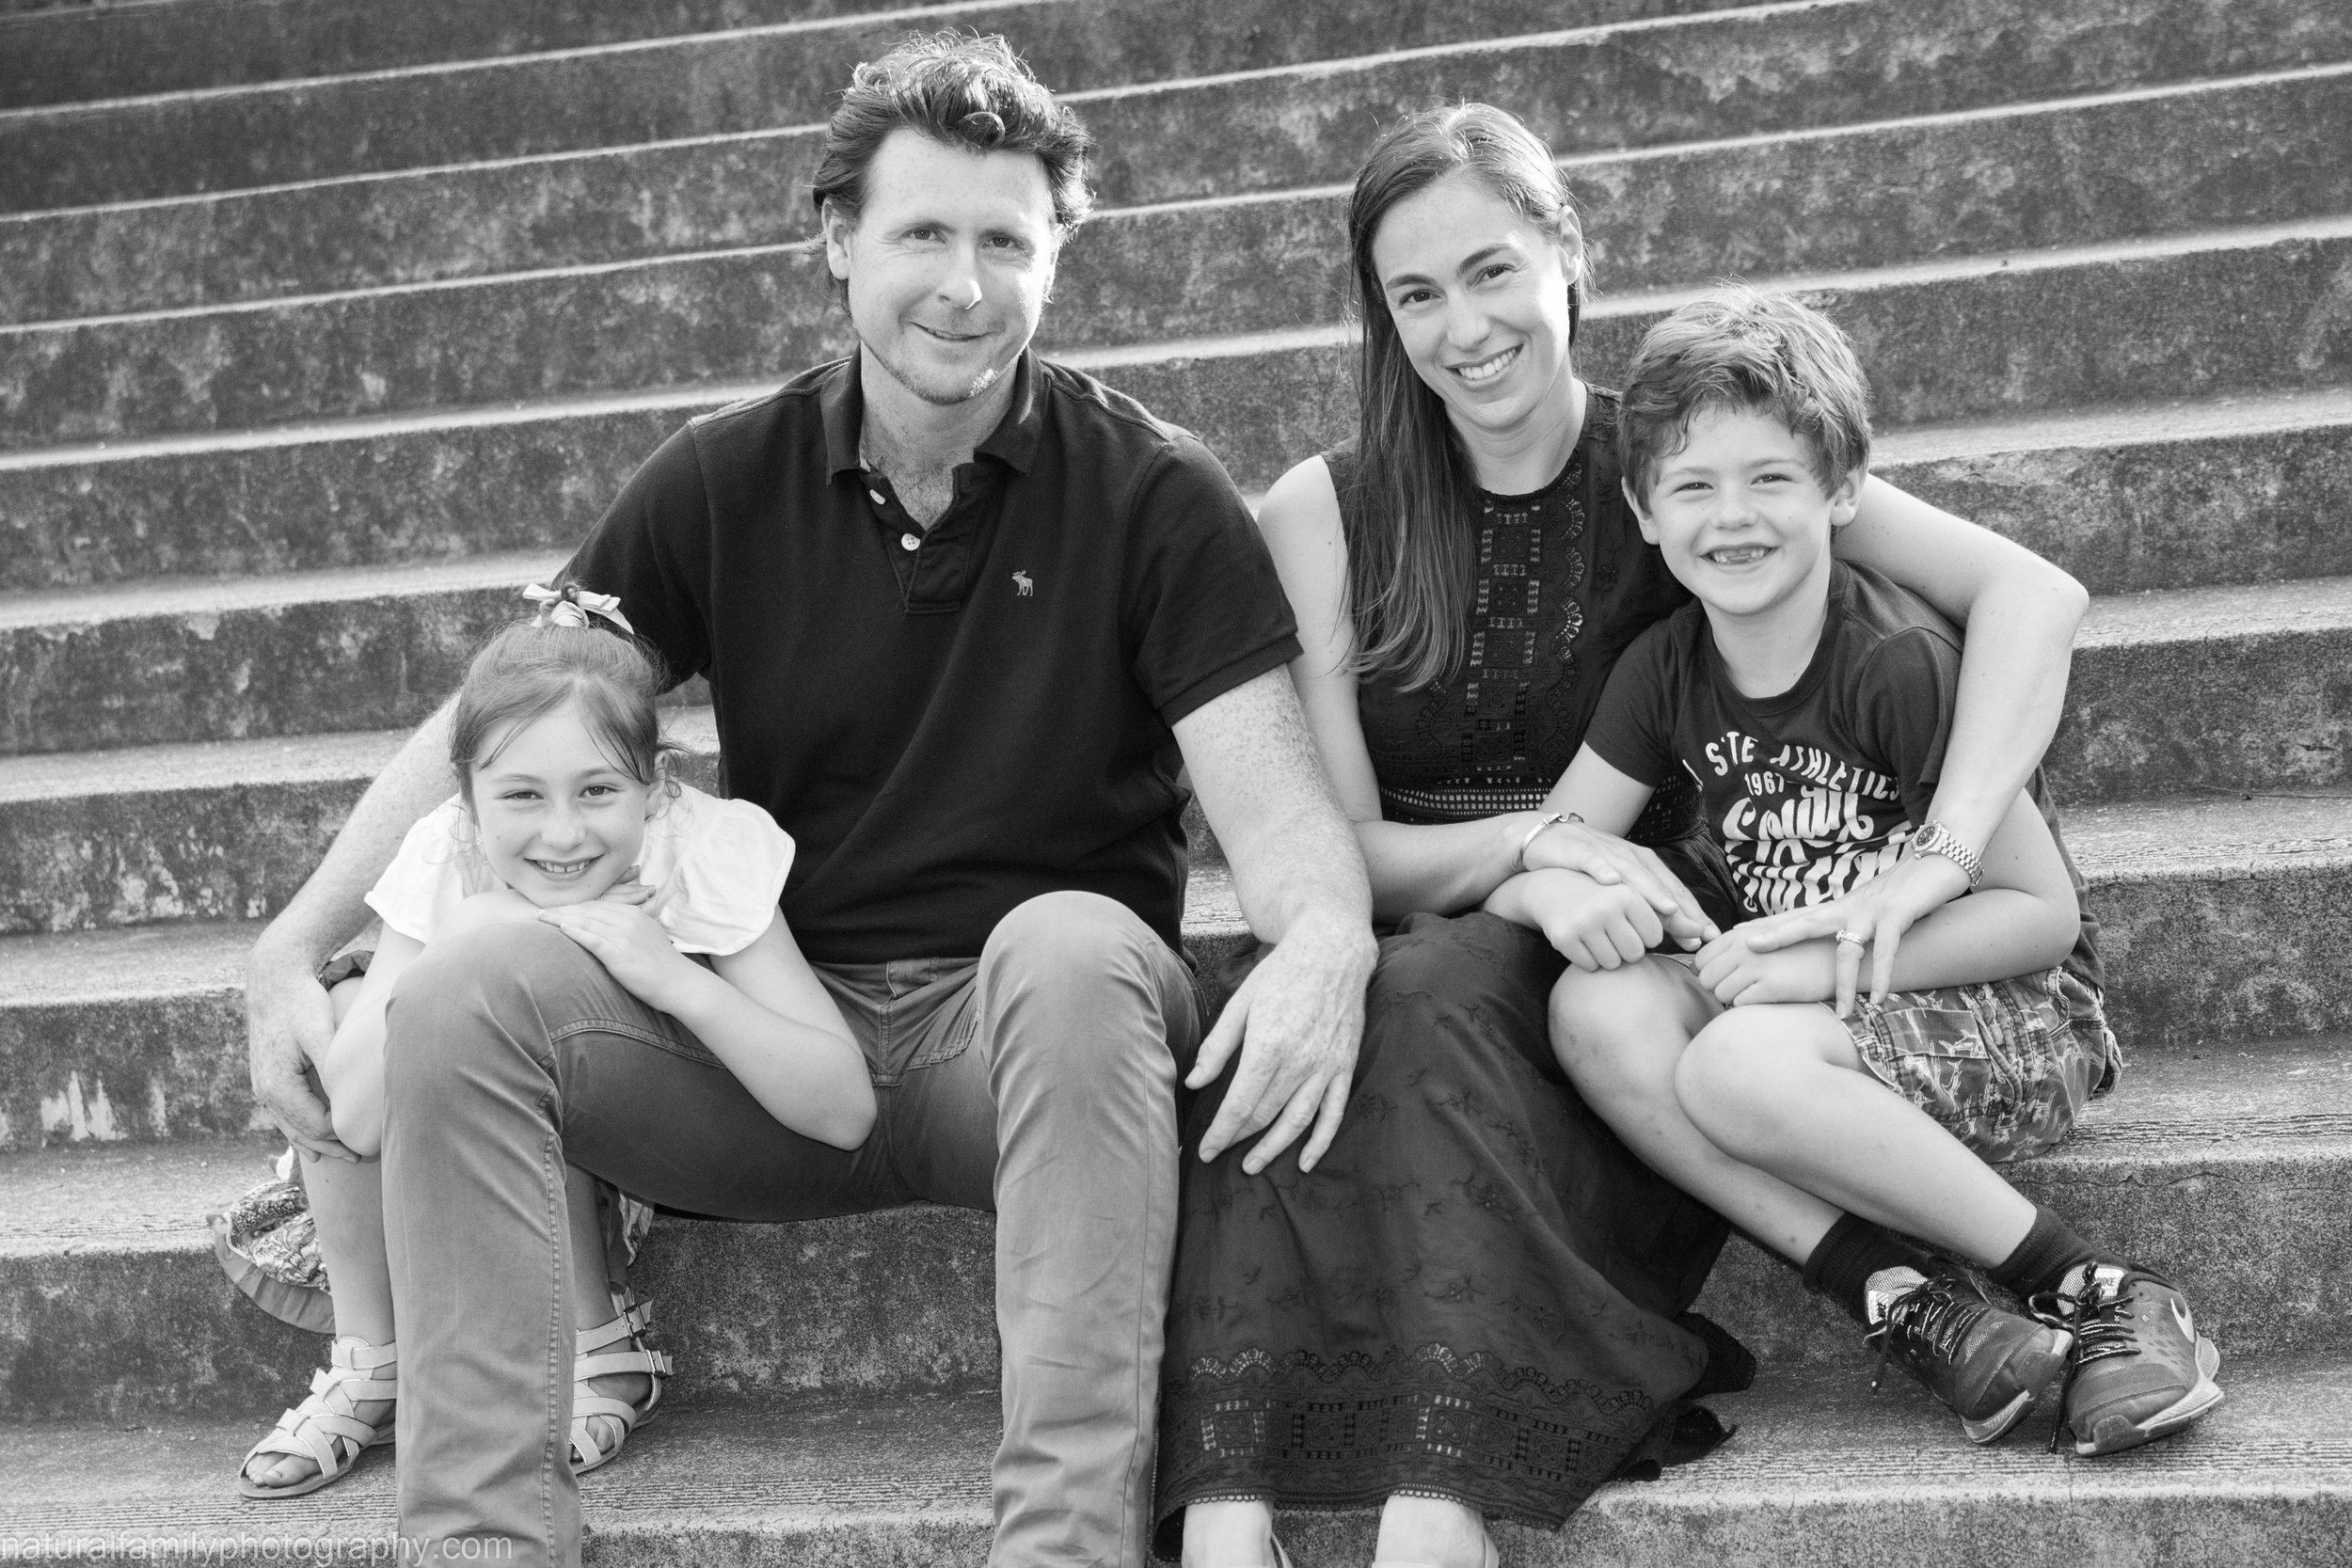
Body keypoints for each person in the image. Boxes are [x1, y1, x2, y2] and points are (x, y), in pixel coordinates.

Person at [242, 32, 1376, 1568]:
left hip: (1036, 1052)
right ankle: (482, 1540)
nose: (963, 285)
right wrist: (291, 943)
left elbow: (1280, 812)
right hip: (774, 1039)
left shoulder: (1154, 492)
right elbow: (506, 713)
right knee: (466, 984)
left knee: (1073, 944)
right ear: (839, 240)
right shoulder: (728, 476)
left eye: (1006, 242)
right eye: (922, 234)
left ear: (1054, 257)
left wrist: (1327, 942)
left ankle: (1062, 1549)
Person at [1158, 105, 2094, 1568]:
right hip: (1455, 934)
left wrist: (1949, 849)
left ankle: (1439, 1496)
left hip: (1654, 971)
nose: (1464, 328)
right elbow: (1332, 847)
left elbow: (2031, 595)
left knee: (1426, 993)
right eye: (1416, 293)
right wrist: (1534, 856)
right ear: (1382, 314)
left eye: (1491, 271)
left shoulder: (1686, 462)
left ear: (1568, 254)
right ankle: (1229, 1507)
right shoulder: (1328, 512)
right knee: (1287, 1016)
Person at [1507, 284, 2217, 1458]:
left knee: (1733, 1061)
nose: (1732, 517)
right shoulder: (1662, 668)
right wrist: (1550, 878)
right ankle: (1913, 1301)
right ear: (1642, 510)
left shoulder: (1894, 660)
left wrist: (1808, 965)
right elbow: (1551, 836)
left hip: (2014, 1015)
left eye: (1769, 478)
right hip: (1828, 1019)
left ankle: (2097, 1286)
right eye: (1692, 486)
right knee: (1594, 1006)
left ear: (1842, 490)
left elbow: (2039, 916)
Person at [230, 599, 874, 1498]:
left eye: (599, 791)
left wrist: (673, 977)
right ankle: (372, 1356)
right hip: (453, 1151)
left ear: (655, 787)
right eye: (522, 795)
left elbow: (845, 1108)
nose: (563, 833)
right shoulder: (447, 851)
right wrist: (479, 927)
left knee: (519, 1011)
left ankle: (599, 1341)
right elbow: (361, 1118)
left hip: (639, 1131)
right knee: (346, 1011)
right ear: (468, 801)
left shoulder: (700, 846)